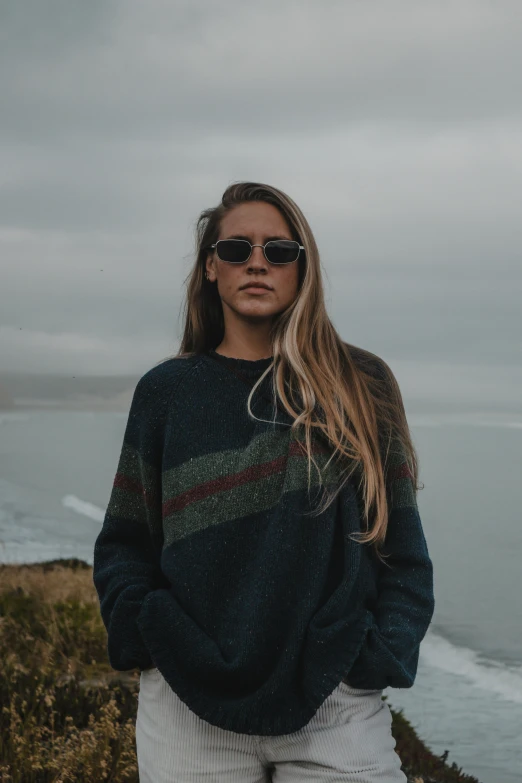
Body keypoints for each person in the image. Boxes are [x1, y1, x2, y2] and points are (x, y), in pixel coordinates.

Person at [93, 181, 435, 782]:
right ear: (209, 268)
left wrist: (375, 656)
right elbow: (125, 541)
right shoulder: (167, 393)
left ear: (303, 270)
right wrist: (142, 631)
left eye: (279, 251)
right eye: (236, 249)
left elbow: (403, 549)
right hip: (185, 706)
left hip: (334, 705)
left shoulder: (360, 383)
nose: (257, 262)